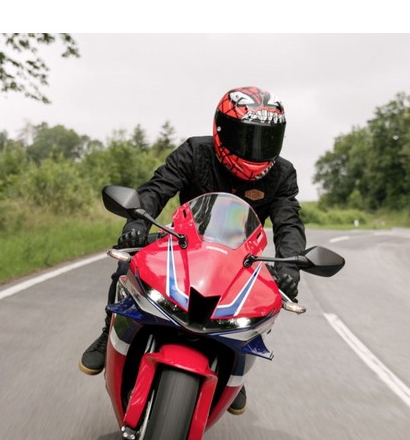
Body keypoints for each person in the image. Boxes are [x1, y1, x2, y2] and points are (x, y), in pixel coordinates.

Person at [79, 86, 307, 415]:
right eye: (246, 137)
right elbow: (159, 187)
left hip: (241, 257)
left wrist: (290, 269)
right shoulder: (195, 151)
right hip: (184, 244)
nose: (255, 149)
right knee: (129, 261)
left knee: (267, 296)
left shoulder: (283, 174)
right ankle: (108, 332)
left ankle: (233, 369)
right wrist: (138, 223)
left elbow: (289, 223)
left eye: (265, 140)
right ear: (221, 130)